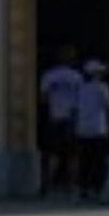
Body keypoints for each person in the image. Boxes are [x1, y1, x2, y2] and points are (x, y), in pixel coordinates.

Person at [38, 45, 82, 195]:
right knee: (73, 155)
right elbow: (81, 100)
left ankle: (48, 186)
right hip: (72, 119)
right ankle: (72, 185)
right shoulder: (77, 77)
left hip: (55, 117)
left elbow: (43, 99)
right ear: (72, 59)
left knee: (53, 153)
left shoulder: (49, 75)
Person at [73, 58, 109, 202]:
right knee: (99, 161)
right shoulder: (102, 87)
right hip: (98, 128)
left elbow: (76, 108)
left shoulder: (81, 88)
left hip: (82, 129)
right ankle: (98, 188)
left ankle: (83, 188)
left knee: (84, 161)